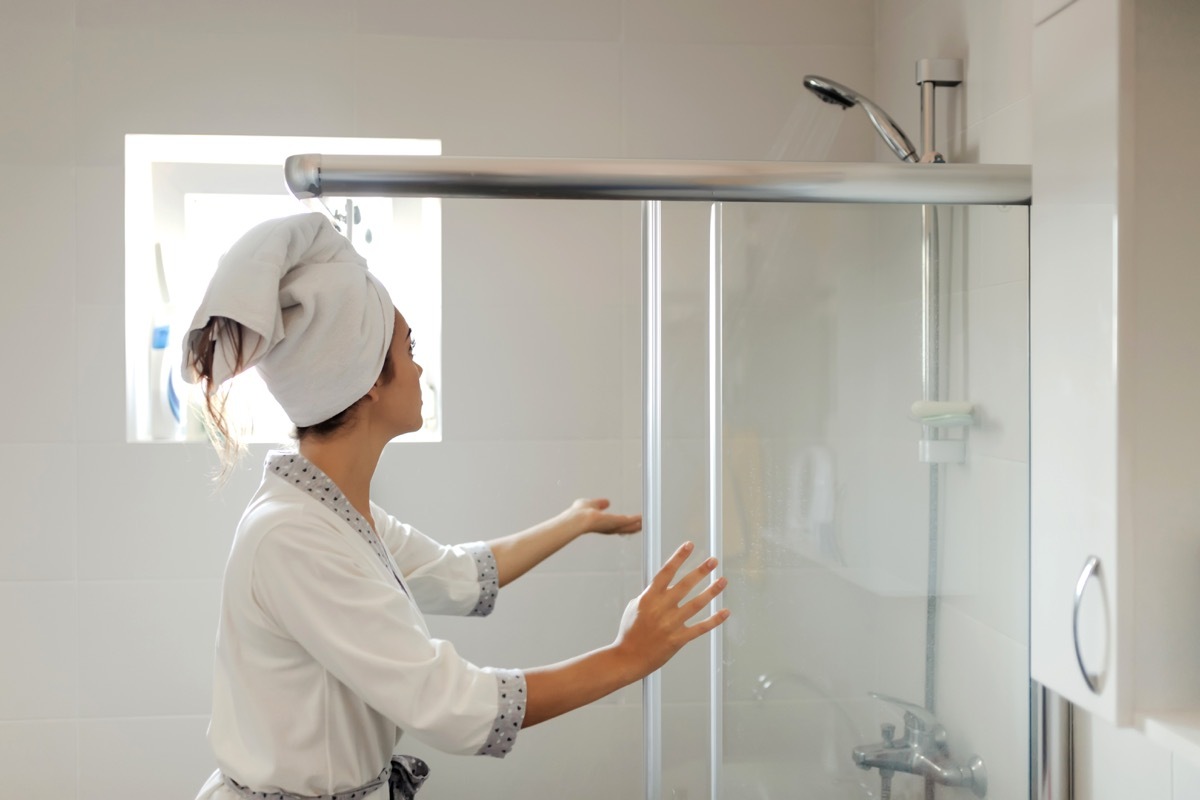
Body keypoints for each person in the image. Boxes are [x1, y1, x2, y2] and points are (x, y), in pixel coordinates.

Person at [184, 212, 730, 800]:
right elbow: (453, 706)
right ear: (367, 377)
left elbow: (456, 574)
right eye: (409, 349)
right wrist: (628, 657)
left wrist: (571, 523)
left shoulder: (330, 513)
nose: (419, 368)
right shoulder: (293, 537)